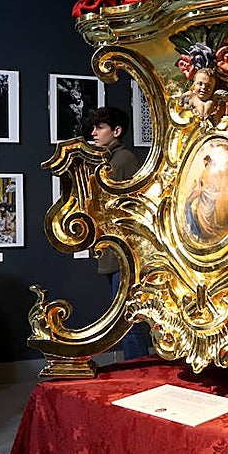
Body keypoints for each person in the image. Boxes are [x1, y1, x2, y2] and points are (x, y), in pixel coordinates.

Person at [90, 107, 152, 361]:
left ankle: (137, 374)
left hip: (124, 252)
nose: (93, 132)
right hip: (116, 251)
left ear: (116, 131)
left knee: (128, 319)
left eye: (100, 127)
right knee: (126, 318)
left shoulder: (122, 160)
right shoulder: (112, 159)